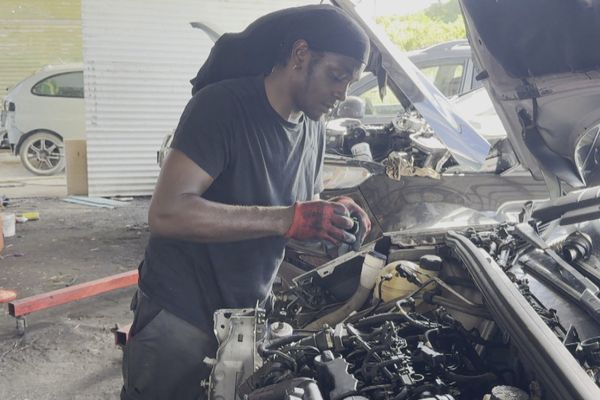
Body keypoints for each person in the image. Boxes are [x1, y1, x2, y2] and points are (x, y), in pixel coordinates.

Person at [121, 5, 371, 400]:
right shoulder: (221, 107)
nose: (342, 93)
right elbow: (168, 212)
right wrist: (290, 218)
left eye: (350, 83)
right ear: (300, 55)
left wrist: (326, 214)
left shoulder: (312, 127)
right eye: (336, 76)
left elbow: (295, 207)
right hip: (182, 312)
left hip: (247, 317)